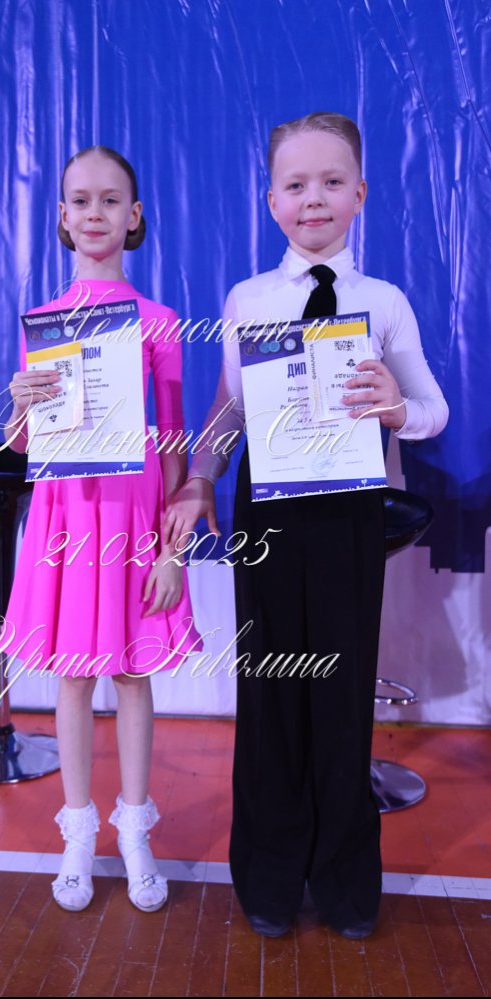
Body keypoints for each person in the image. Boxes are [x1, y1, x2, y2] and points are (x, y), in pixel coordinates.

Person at [163, 112, 448, 939]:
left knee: (341, 692)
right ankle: (268, 874)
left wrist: (397, 408)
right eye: (295, 184)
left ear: (360, 193)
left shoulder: (383, 302)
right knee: (271, 689)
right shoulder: (248, 299)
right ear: (271, 201)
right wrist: (200, 478)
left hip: (351, 512)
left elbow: (432, 408)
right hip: (269, 510)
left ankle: (347, 881)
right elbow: (228, 408)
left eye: (331, 181)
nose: (312, 197)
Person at [2, 145, 201, 914]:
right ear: (62, 216)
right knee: (75, 673)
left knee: (134, 671)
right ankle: (78, 833)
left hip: (134, 516)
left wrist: (174, 548)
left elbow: (176, 441)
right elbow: (26, 444)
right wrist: (19, 404)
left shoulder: (160, 322)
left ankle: (135, 827)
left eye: (110, 199)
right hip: (67, 514)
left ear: (134, 214)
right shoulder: (44, 323)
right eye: (80, 200)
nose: (95, 212)